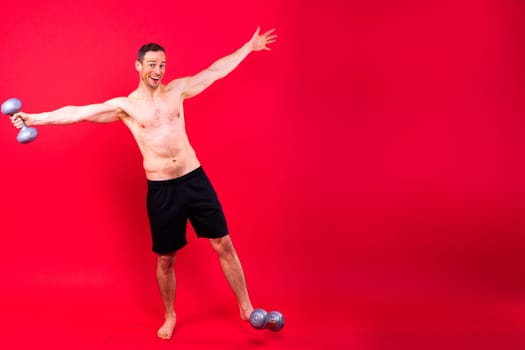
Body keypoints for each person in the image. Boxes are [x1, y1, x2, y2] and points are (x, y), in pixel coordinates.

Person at [11, 26, 277, 340]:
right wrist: (33, 118)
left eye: (162, 65)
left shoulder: (177, 90)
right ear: (138, 66)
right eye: (152, 64)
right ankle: (170, 315)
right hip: (162, 189)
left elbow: (214, 71)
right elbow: (79, 112)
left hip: (195, 179)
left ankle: (247, 308)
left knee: (225, 245)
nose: (158, 70)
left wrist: (248, 47)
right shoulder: (126, 107)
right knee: (166, 258)